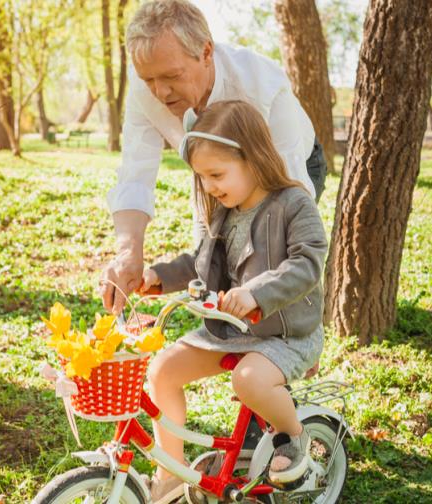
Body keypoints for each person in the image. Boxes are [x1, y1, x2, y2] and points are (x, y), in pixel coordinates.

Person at [138, 100, 327, 502]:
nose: (208, 187)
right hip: (234, 331)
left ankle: (293, 436)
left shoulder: (294, 204)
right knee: (162, 371)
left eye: (216, 174)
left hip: (287, 332)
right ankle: (169, 473)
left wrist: (256, 293)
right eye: (202, 177)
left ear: (253, 158)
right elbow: (199, 262)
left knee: (248, 381)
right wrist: (159, 276)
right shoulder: (224, 213)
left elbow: (307, 263)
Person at [101, 0, 327, 316]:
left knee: (267, 249)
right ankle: (220, 325)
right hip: (212, 168)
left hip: (288, 162)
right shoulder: (144, 88)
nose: (160, 92)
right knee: (214, 255)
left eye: (171, 76)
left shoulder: (261, 84)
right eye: (149, 79)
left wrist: (294, 311)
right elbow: (134, 173)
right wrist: (129, 252)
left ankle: (289, 337)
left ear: (206, 53)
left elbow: (294, 209)